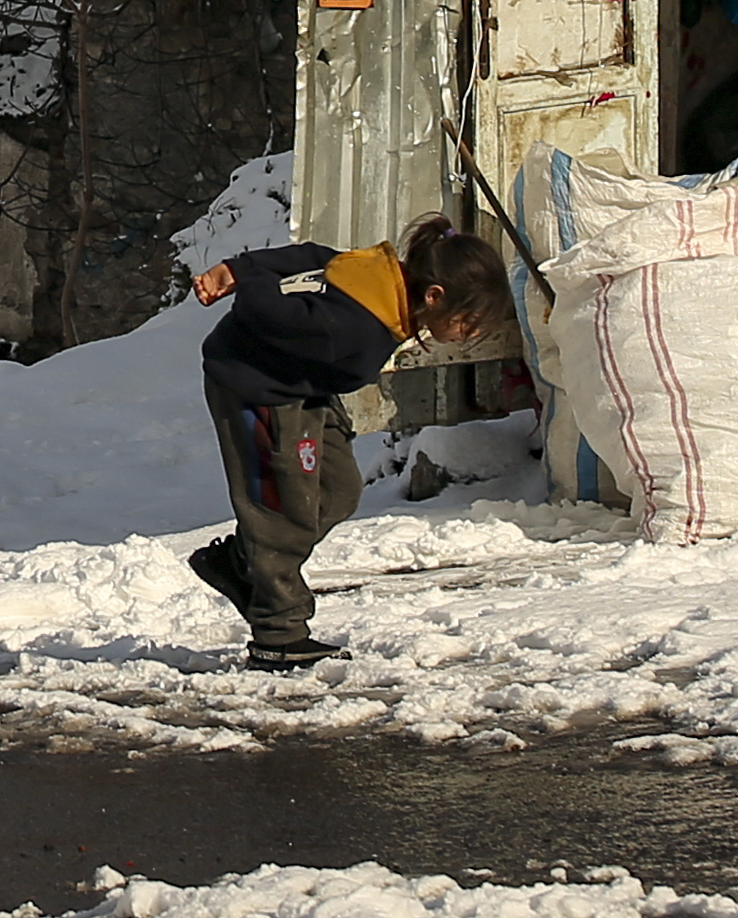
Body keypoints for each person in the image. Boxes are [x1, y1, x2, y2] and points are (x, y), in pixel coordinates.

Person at [182, 222, 513, 670]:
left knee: (337, 493)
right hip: (256, 388)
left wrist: (238, 268)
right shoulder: (353, 326)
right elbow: (263, 307)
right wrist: (243, 276)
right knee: (284, 513)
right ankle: (279, 636)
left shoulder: (375, 277)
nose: (470, 334)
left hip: (303, 385)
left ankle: (241, 562)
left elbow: (311, 255)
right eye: (467, 322)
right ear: (434, 296)